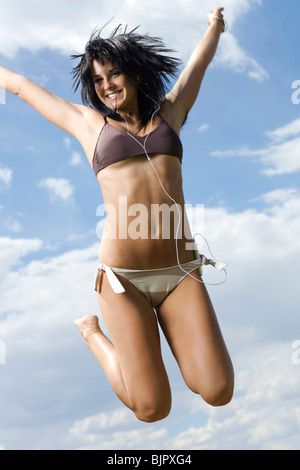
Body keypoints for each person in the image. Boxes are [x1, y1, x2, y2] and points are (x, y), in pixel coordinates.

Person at [1, 6, 234, 423]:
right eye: (97, 80)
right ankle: (91, 333)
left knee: (217, 390)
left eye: (113, 74)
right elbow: (19, 85)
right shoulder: (90, 126)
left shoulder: (171, 114)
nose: (107, 85)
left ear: (135, 73)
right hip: (122, 280)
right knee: (151, 408)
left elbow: (199, 62)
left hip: (180, 272)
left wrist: (215, 27)